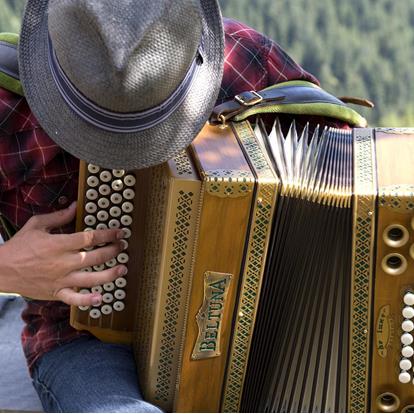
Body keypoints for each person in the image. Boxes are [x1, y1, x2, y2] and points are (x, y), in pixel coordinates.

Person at [0, 0, 322, 412]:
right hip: (84, 341)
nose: (123, 155)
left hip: (259, 327)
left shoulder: (242, 61)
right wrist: (9, 267)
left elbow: (350, 170)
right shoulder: (7, 108)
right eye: (97, 125)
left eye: (145, 123)